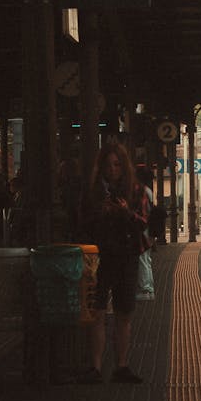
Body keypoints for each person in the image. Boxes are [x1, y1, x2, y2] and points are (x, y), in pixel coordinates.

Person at [79, 140, 152, 384]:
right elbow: (83, 221)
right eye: (108, 165)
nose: (112, 170)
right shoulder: (93, 192)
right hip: (98, 256)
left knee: (124, 312)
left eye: (117, 164)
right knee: (96, 311)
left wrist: (124, 212)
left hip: (126, 255)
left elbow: (143, 223)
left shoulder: (136, 190)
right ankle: (96, 367)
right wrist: (101, 212)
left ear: (124, 166)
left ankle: (121, 365)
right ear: (100, 167)